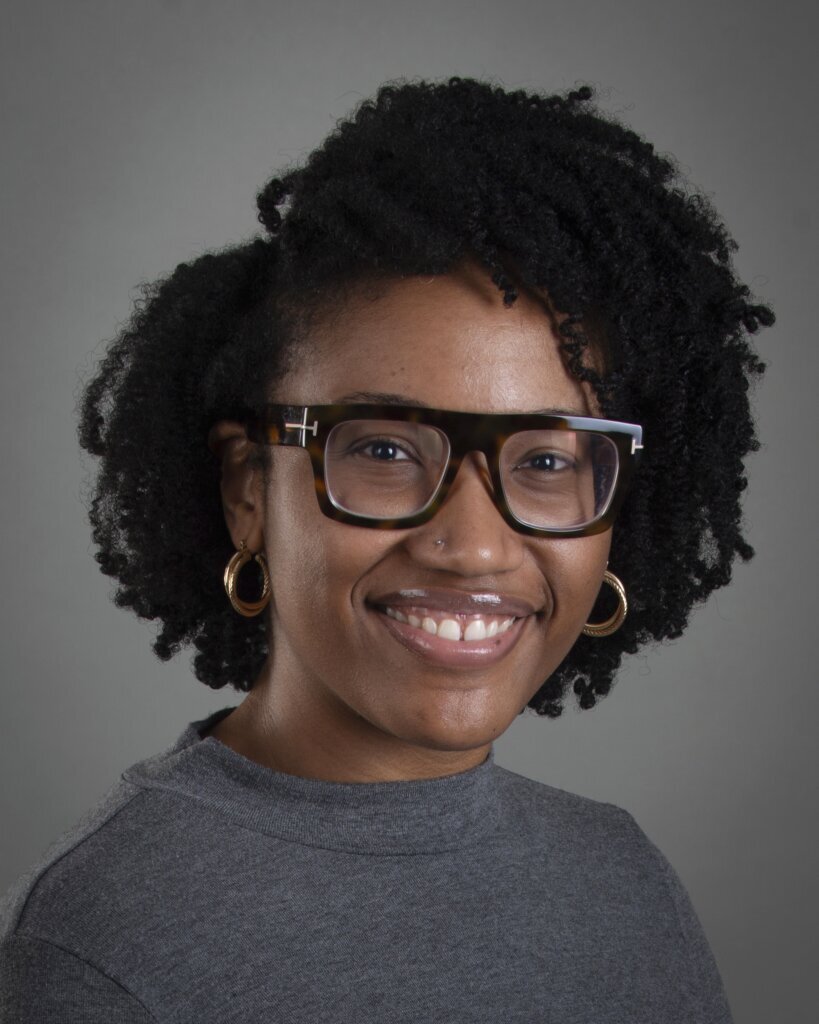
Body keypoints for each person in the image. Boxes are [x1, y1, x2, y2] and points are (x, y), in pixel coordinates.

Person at [0, 78, 772, 1022]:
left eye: (544, 461)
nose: (473, 547)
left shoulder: (623, 880)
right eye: (384, 451)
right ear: (249, 491)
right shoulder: (99, 940)